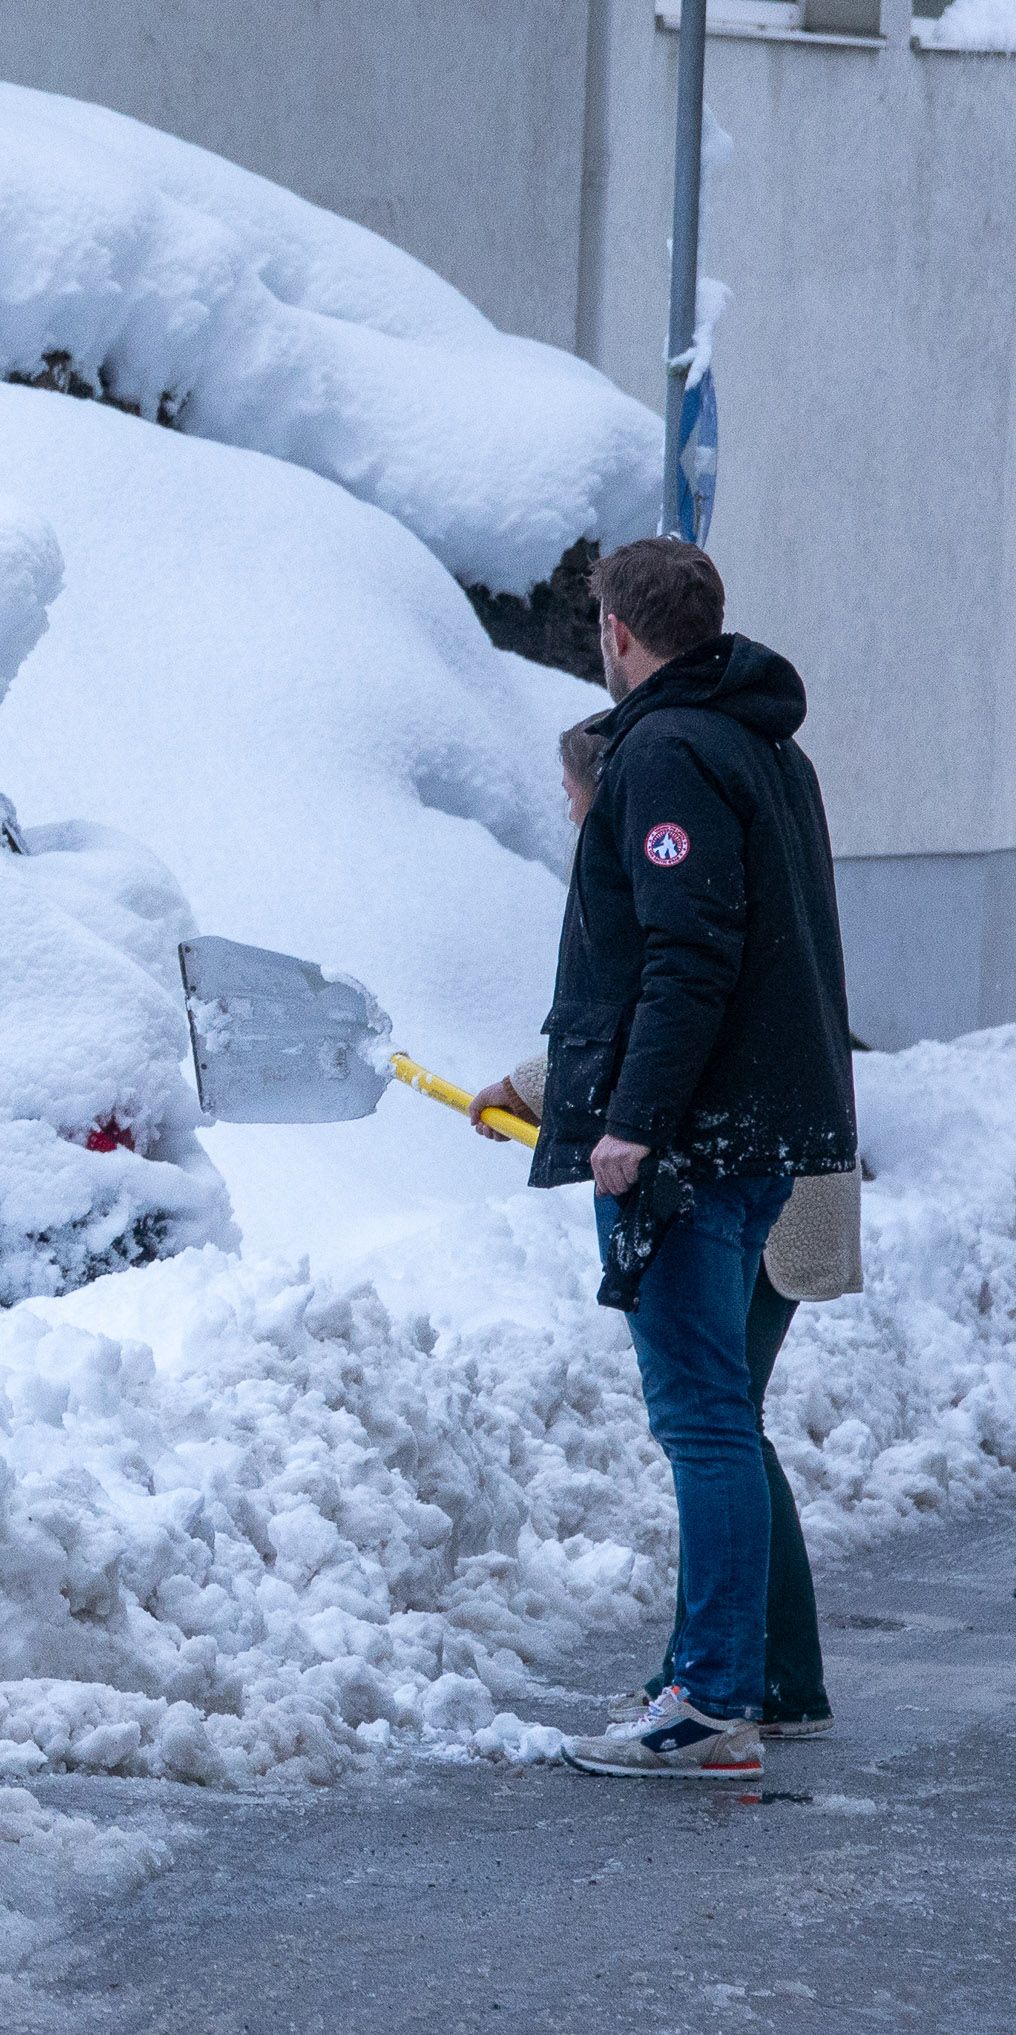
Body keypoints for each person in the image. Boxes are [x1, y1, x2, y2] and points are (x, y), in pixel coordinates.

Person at [470, 537, 860, 1780]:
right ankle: (744, 1681)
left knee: (702, 1417)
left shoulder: (668, 750)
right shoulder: (760, 744)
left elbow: (683, 960)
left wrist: (630, 1123)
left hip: (698, 1142)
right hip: (760, 1128)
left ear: (618, 635)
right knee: (717, 1414)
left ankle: (711, 1700)